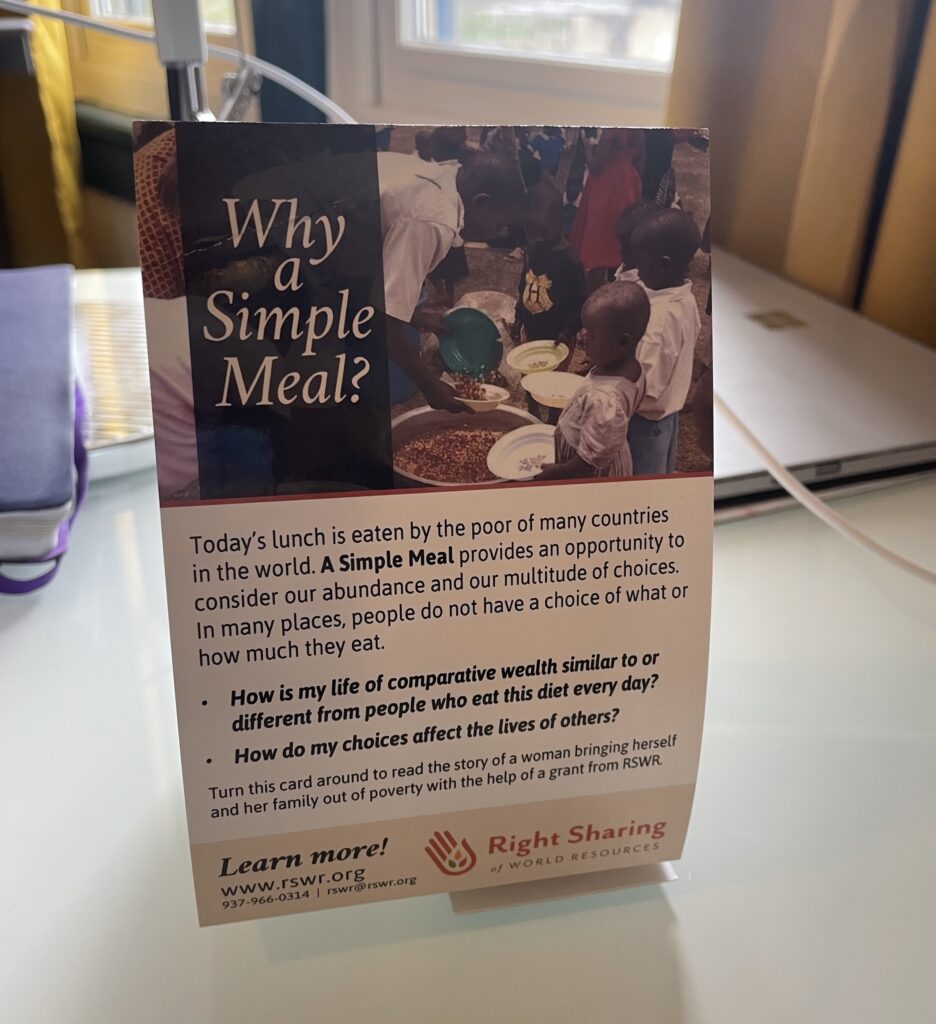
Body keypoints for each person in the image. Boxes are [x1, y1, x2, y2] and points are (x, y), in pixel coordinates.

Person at [378, 148, 525, 412]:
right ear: (482, 203)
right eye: (502, 223)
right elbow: (384, 323)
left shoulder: (449, 176)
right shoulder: (432, 220)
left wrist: (419, 318)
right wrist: (429, 384)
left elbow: (383, 294)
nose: (501, 231)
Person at [536, 281, 649, 480]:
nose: (583, 335)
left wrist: (557, 472)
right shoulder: (632, 367)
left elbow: (584, 466)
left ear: (622, 342)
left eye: (592, 334)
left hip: (587, 472)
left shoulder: (605, 403)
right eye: (584, 328)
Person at [626, 208, 702, 475]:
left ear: (663, 263)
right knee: (662, 475)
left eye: (641, 261)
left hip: (644, 425)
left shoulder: (657, 323)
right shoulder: (685, 298)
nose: (636, 268)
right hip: (668, 416)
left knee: (641, 492)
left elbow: (647, 390)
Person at [513, 182, 586, 348]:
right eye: (530, 231)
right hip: (531, 329)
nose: (537, 238)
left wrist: (568, 331)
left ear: (559, 220)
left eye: (543, 231)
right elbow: (524, 286)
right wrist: (519, 317)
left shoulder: (570, 261)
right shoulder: (531, 250)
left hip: (558, 337)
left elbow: (580, 301)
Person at [569, 128, 643, 291]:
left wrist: (586, 146)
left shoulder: (613, 131)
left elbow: (596, 166)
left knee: (599, 244)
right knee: (618, 240)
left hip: (606, 188)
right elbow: (640, 164)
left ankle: (592, 293)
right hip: (628, 183)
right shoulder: (639, 131)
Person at [614, 199, 659, 283]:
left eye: (627, 249)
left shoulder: (638, 287)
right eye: (623, 245)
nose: (621, 252)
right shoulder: (629, 266)